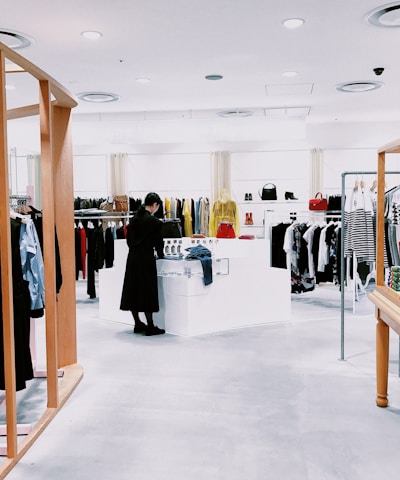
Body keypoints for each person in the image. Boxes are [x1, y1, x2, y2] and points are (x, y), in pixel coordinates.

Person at [120, 192, 165, 336]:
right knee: (147, 291)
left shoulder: (134, 219)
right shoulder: (154, 222)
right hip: (146, 259)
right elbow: (159, 243)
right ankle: (150, 326)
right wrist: (162, 255)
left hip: (133, 258)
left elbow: (128, 240)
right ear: (155, 205)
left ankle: (137, 323)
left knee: (133, 290)